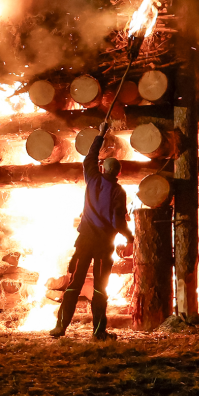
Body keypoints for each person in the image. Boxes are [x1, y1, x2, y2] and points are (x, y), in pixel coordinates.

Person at [51, 121, 134, 341]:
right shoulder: (119, 191)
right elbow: (117, 221)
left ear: (102, 168)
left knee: (74, 285)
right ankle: (99, 332)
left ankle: (60, 327)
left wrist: (100, 134)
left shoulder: (93, 179)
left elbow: (88, 158)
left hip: (85, 242)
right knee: (100, 289)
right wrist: (129, 236)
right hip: (104, 245)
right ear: (117, 173)